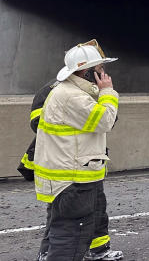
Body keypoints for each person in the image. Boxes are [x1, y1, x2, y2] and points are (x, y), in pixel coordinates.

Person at [33, 40, 122, 261]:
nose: (104, 73)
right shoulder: (72, 97)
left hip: (68, 178)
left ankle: (46, 256)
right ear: (86, 72)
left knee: (62, 230)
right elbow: (106, 121)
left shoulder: (70, 91)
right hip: (73, 181)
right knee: (71, 237)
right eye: (99, 69)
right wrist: (108, 92)